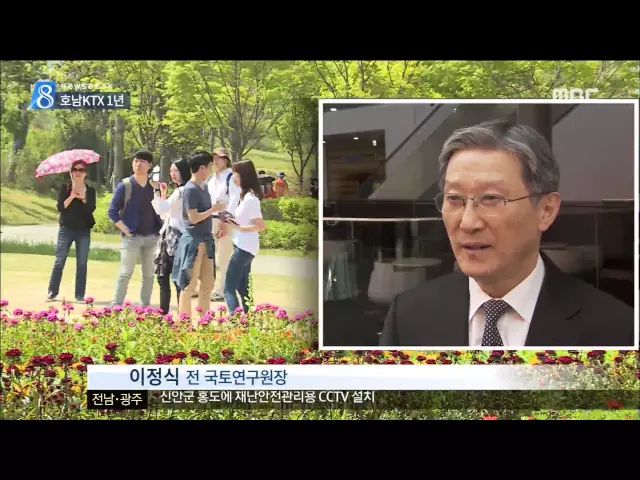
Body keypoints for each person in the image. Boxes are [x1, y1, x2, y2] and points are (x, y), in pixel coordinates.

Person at [379, 119, 634, 348]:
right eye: (454, 199)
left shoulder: (616, 330)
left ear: (546, 210)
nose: (468, 223)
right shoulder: (408, 317)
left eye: (491, 199)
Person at [171, 151, 225, 319]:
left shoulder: (204, 186)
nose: (211, 169)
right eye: (209, 166)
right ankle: (185, 322)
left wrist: (217, 214)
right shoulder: (190, 190)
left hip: (206, 240)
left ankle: (204, 320)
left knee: (208, 284)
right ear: (202, 168)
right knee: (189, 285)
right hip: (194, 242)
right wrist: (213, 210)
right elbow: (193, 218)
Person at [108, 149, 163, 307]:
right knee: (125, 272)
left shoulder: (155, 186)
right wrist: (124, 229)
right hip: (131, 237)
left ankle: (145, 306)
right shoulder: (125, 185)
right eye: (136, 161)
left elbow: (162, 209)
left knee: (149, 274)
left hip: (152, 236)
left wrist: (158, 190)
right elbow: (112, 211)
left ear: (150, 165)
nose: (138, 164)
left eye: (143, 161)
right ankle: (116, 305)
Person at [47, 160, 96, 303]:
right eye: (75, 169)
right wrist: (72, 196)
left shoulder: (90, 190)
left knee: (82, 263)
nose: (78, 172)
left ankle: (79, 295)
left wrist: (83, 198)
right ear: (71, 172)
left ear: (85, 173)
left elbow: (91, 208)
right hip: (66, 229)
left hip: (83, 231)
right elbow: (61, 208)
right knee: (59, 261)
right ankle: (52, 292)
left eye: (81, 170)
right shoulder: (65, 188)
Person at [222, 159, 266, 313]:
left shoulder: (251, 199)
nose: (233, 176)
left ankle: (235, 319)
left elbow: (260, 226)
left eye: (235, 173)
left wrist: (238, 227)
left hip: (244, 248)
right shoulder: (244, 197)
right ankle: (249, 318)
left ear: (243, 176)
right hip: (242, 245)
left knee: (228, 288)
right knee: (243, 287)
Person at [151, 157, 192, 314]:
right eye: (171, 171)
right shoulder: (184, 190)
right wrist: (162, 194)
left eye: (176, 170)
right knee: (170, 278)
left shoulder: (181, 191)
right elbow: (165, 214)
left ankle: (168, 314)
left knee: (169, 278)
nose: (173, 174)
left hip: (174, 237)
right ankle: (178, 314)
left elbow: (161, 210)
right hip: (171, 236)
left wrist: (156, 191)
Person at [206, 147, 241, 302]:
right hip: (210, 219)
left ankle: (222, 290)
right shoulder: (211, 178)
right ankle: (210, 288)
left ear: (226, 159)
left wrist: (226, 218)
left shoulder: (230, 177)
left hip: (224, 220)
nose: (215, 161)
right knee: (210, 257)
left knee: (223, 257)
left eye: (219, 158)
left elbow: (234, 199)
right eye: (214, 158)